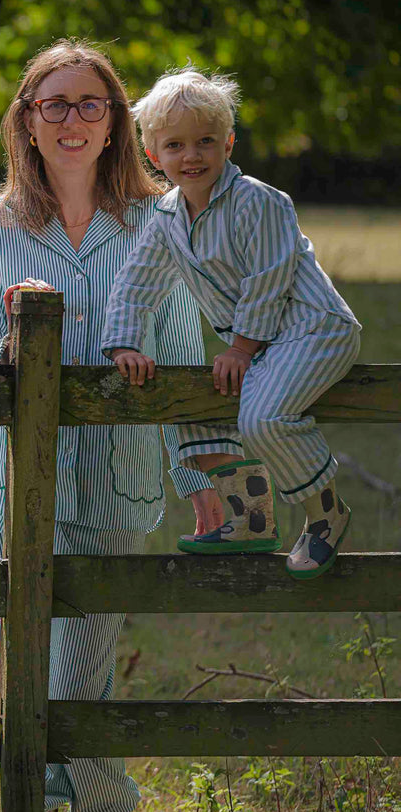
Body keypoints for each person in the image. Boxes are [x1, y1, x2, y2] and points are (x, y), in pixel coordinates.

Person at [0, 39, 240, 812]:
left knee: (80, 690)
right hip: (11, 494)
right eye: (57, 104)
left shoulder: (156, 224)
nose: (75, 119)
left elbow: (183, 359)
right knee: (16, 686)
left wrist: (201, 473)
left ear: (118, 121)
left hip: (115, 487)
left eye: (92, 103)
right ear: (27, 122)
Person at [103, 66, 361, 578]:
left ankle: (325, 513)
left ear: (229, 143)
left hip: (313, 329)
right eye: (175, 145)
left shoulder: (259, 202)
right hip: (262, 347)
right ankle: (249, 516)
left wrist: (241, 347)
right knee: (193, 399)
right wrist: (124, 344)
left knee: (263, 419)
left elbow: (270, 279)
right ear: (153, 154)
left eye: (205, 141)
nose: (191, 156)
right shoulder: (168, 218)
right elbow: (136, 283)